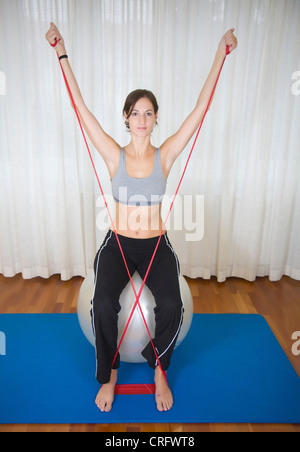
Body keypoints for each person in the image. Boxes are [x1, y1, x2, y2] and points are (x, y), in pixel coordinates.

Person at [46, 23, 237, 413]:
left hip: (154, 243)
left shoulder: (164, 155)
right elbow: (80, 110)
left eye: (149, 113)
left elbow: (199, 112)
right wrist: (61, 53)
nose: (142, 118)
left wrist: (220, 54)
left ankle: (159, 368)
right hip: (117, 242)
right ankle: (109, 374)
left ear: (155, 119)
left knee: (171, 304)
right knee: (101, 304)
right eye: (136, 112)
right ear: (127, 117)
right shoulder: (114, 154)